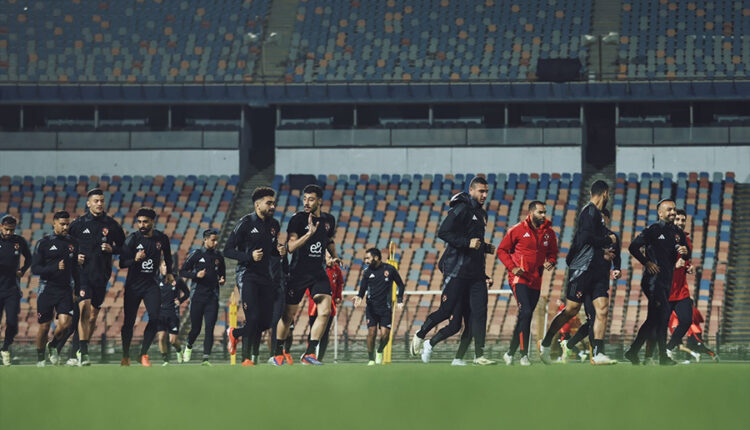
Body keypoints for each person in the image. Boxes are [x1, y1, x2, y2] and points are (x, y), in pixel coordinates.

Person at [411, 176, 496, 365]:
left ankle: (479, 355)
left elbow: (474, 243)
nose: (484, 195)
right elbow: (443, 232)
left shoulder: (482, 214)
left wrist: (484, 248)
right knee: (446, 311)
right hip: (457, 272)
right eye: (481, 191)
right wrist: (467, 243)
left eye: (486, 192)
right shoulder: (461, 208)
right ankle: (421, 334)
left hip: (476, 275)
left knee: (479, 313)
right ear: (471, 190)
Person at [538, 180, 617, 365]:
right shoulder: (588, 211)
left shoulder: (598, 215)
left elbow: (589, 241)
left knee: (602, 309)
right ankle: (546, 343)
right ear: (605, 193)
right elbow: (585, 238)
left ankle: (598, 353)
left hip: (597, 270)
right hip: (582, 269)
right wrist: (607, 241)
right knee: (571, 310)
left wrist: (603, 252)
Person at [273, 184, 341, 366]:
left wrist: (334, 255)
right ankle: (277, 353)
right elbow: (290, 247)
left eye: (311, 199)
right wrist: (309, 234)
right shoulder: (297, 219)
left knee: (325, 311)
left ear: (320, 201)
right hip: (298, 273)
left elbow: (328, 240)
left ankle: (310, 353)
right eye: (304, 199)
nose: (306, 202)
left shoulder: (329, 220)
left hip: (318, 273)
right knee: (288, 316)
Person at [225, 187, 286, 366]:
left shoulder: (274, 225)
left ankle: (235, 333)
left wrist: (278, 250)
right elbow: (227, 250)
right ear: (257, 205)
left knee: (266, 322)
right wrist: (249, 256)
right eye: (269, 203)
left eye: (273, 203)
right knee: (252, 318)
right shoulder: (245, 223)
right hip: (247, 275)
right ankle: (246, 359)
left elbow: (271, 249)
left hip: (265, 276)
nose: (273, 206)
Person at [624, 199, 689, 366]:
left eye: (674, 209)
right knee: (662, 317)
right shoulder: (653, 230)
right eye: (669, 210)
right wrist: (646, 262)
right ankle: (662, 357)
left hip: (667, 281)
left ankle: (633, 351)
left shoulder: (678, 233)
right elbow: (633, 247)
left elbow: (685, 254)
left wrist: (685, 253)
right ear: (660, 213)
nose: (673, 212)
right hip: (653, 281)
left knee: (654, 319)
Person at [497, 200, 558, 366]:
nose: (544, 215)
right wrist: (512, 267)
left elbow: (553, 253)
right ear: (531, 213)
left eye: (544, 212)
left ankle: (509, 353)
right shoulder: (517, 230)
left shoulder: (549, 233)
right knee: (525, 312)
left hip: (536, 280)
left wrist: (551, 261)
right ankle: (523, 355)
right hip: (519, 279)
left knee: (525, 316)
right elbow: (501, 250)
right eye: (540, 212)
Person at [68, 188, 125, 366]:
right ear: (88, 203)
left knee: (92, 317)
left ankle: (78, 349)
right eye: (96, 201)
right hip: (82, 275)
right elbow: (65, 246)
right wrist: (74, 257)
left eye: (101, 200)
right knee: (84, 309)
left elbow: (125, 247)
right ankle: (83, 353)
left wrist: (112, 249)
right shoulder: (77, 224)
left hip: (101, 276)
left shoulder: (112, 224)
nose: (99, 204)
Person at [559, 208, 621, 362]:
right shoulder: (588, 237)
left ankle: (577, 347)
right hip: (586, 280)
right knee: (593, 319)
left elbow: (617, 257)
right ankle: (596, 353)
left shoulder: (613, 237)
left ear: (607, 219)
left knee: (599, 315)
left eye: (602, 217)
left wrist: (617, 269)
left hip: (601, 280)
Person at [119, 207, 173, 367]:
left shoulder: (162, 238)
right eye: (139, 222)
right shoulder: (132, 239)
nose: (142, 225)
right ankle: (125, 356)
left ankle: (143, 354)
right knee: (129, 322)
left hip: (151, 284)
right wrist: (134, 259)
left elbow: (168, 257)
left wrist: (170, 272)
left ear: (152, 222)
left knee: (155, 318)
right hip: (133, 286)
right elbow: (122, 263)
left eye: (145, 222)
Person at [31, 211, 79, 366]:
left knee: (65, 325)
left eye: (67, 224)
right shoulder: (43, 243)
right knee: (44, 326)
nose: (65, 227)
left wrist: (77, 288)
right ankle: (40, 359)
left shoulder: (73, 243)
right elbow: (35, 269)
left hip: (65, 289)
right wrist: (54, 267)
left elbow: (75, 269)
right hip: (47, 288)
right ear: (54, 224)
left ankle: (52, 345)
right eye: (62, 224)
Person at [181, 229, 226, 365]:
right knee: (196, 329)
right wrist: (196, 275)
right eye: (213, 240)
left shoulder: (219, 256)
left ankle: (206, 358)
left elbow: (222, 274)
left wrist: (222, 280)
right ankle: (189, 345)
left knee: (210, 328)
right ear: (205, 240)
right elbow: (182, 271)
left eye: (216, 240)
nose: (216, 242)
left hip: (212, 297)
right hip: (197, 297)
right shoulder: (196, 254)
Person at [354, 248, 405, 365]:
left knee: (385, 335)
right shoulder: (367, 272)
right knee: (371, 333)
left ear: (376, 257)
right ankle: (371, 359)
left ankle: (380, 351)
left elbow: (401, 285)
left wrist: (399, 300)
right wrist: (359, 297)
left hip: (385, 308)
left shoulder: (390, 269)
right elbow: (363, 288)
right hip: (371, 308)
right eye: (365, 259)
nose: (366, 261)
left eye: (368, 258)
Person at [0, 215, 31, 366]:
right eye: (6, 229)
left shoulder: (19, 241)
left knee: (12, 322)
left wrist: (23, 270)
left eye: (11, 230)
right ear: (1, 227)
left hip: (12, 289)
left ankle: (5, 348)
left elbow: (29, 258)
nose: (9, 233)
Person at [306, 251, 344, 362]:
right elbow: (307, 285)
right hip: (315, 305)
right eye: (329, 257)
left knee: (325, 332)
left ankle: (319, 358)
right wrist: (313, 296)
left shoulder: (336, 269)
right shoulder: (316, 269)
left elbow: (339, 284)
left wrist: (338, 296)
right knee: (313, 330)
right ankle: (309, 353)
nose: (332, 260)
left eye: (332, 257)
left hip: (330, 304)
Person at [156, 259, 190, 366]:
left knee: (172, 341)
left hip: (172, 313)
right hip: (160, 313)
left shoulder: (177, 280)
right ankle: (166, 361)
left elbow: (187, 293)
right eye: (164, 265)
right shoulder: (156, 280)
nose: (166, 268)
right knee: (161, 338)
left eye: (168, 266)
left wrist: (180, 300)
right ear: (160, 267)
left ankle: (179, 350)